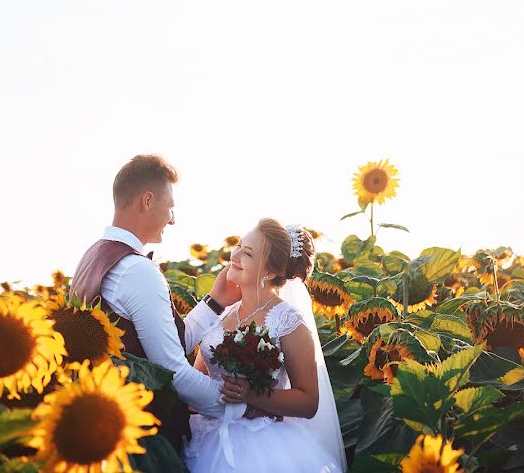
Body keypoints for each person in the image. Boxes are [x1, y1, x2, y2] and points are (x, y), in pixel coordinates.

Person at [69, 154, 242, 453]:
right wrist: (243, 409)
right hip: (143, 438)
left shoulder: (93, 255)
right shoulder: (136, 270)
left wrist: (215, 302)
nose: (173, 219)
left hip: (100, 427)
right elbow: (173, 372)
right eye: (170, 207)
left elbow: (166, 344)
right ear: (147, 201)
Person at [184, 218, 347, 473]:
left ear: (270, 271)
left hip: (261, 444)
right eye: (238, 245)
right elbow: (198, 377)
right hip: (206, 434)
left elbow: (308, 401)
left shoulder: (288, 321)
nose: (234, 255)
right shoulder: (222, 313)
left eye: (247, 252)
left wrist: (252, 396)